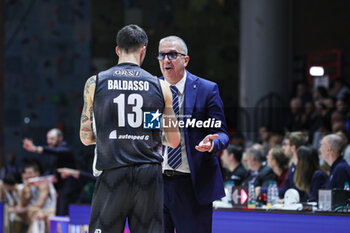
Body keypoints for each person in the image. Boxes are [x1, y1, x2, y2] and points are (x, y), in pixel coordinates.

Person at [80, 25, 180, 233]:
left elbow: (85, 137)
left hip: (113, 173)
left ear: (118, 50)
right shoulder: (160, 87)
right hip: (148, 176)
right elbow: (173, 140)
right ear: (143, 49)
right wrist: (142, 137)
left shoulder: (95, 82)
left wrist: (113, 136)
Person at [158, 36, 229, 233]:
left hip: (192, 185)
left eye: (172, 54)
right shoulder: (152, 89)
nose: (166, 60)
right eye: (162, 55)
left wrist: (213, 143)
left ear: (185, 60)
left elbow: (222, 134)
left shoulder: (207, 89)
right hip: (157, 184)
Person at [22, 128, 81, 216]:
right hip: (60, 191)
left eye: (52, 139)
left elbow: (56, 151)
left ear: (60, 138)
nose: (49, 141)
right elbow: (51, 172)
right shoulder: (53, 153)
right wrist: (37, 180)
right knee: (59, 216)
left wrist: (35, 148)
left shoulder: (65, 149)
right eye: (48, 139)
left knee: (63, 217)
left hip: (70, 192)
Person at [278, 131, 308, 199]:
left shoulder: (305, 167)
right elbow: (285, 190)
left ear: (293, 147)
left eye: (286, 144)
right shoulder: (292, 166)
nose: (283, 148)